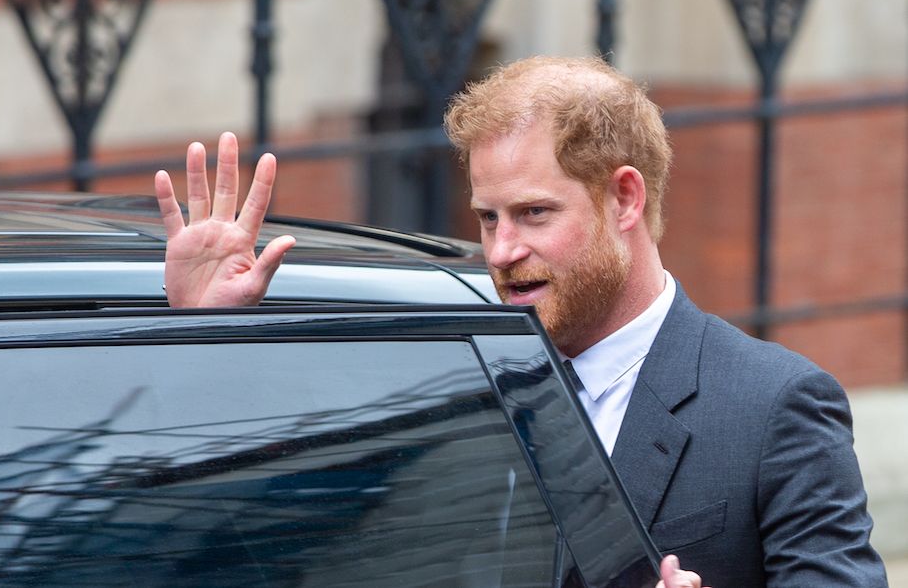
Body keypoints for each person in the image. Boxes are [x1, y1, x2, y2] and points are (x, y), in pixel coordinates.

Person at [154, 56, 887, 587]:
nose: (502, 251)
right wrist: (208, 341)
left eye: (535, 213)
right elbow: (263, 541)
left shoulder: (775, 405)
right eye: (487, 218)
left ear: (624, 200)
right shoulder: (455, 380)